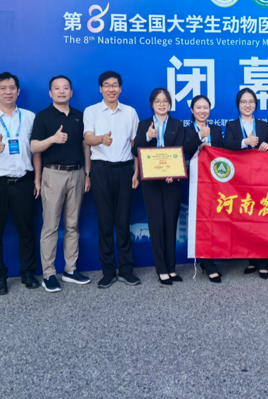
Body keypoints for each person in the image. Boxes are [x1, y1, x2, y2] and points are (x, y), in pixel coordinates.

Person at [0, 72, 40, 295]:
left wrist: (37, 179)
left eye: (12, 88)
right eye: (3, 88)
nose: (8, 92)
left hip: (24, 181)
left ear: (18, 91)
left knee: (27, 230)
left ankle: (28, 273)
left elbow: (36, 150)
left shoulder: (29, 117)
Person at [30, 75, 91, 292]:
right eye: (57, 88)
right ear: (50, 93)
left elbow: (86, 146)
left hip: (77, 174)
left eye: (66, 88)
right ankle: (49, 274)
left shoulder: (80, 116)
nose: (62, 91)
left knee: (73, 225)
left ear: (71, 92)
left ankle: (70, 270)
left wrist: (87, 173)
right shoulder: (43, 117)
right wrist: (52, 140)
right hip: (53, 174)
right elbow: (34, 148)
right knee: (50, 226)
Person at [84, 71, 141, 288]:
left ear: (120, 88)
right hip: (100, 170)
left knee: (123, 222)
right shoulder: (91, 111)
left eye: (115, 85)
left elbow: (135, 145)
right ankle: (108, 271)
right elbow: (88, 139)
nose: (111, 89)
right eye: (107, 85)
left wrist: (136, 172)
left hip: (125, 170)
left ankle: (126, 270)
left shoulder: (130, 112)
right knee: (105, 222)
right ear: (101, 89)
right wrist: (101, 139)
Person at [133, 88, 186, 285]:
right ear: (151, 104)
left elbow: (180, 150)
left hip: (172, 182)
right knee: (156, 225)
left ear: (169, 104)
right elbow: (135, 150)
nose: (161, 104)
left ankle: (171, 268)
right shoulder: (143, 125)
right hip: (151, 182)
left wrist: (174, 171)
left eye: (165, 101)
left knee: (171, 224)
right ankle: (161, 269)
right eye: (157, 101)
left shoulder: (177, 125)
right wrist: (147, 137)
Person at [224, 88, 268, 279]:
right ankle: (252, 260)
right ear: (238, 105)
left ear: (255, 104)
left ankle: (264, 263)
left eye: (251, 101)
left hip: (261, 178)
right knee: (246, 219)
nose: (247, 105)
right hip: (240, 180)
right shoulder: (231, 125)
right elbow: (227, 145)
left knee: (262, 219)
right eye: (243, 102)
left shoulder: (263, 125)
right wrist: (246, 141)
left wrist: (267, 145)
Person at [183, 94, 225, 283]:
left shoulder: (216, 129)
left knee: (215, 221)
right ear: (192, 110)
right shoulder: (186, 130)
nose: (202, 111)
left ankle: (207, 260)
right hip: (196, 183)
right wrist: (200, 136)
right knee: (202, 222)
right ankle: (209, 264)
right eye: (198, 108)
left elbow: (222, 153)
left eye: (205, 107)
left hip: (215, 182)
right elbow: (185, 150)